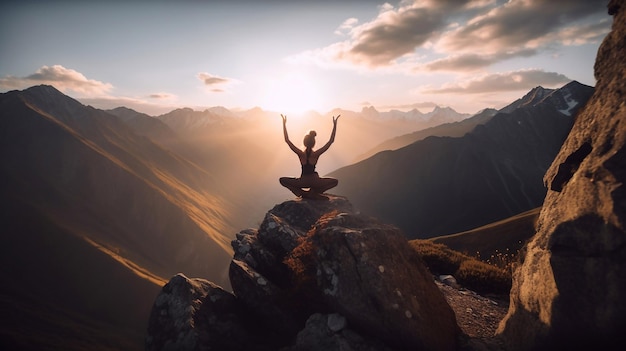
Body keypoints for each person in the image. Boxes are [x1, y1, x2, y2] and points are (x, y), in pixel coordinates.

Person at [279, 114, 340, 200]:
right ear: (314, 143)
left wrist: (284, 124)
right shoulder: (316, 154)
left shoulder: (300, 154)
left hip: (303, 181)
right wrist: (335, 125)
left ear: (304, 142)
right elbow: (330, 141)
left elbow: (287, 140)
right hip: (315, 181)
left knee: (282, 180)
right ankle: (315, 193)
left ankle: (303, 193)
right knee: (334, 181)